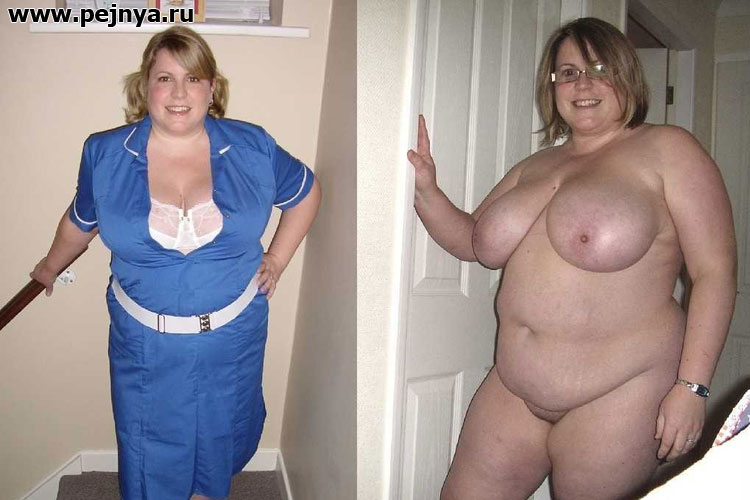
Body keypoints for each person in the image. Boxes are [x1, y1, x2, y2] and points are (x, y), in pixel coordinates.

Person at [408, 17, 736, 499]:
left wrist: (692, 388)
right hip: (513, 388)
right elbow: (473, 241)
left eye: (599, 69)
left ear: (626, 75)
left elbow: (714, 273)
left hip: (620, 393)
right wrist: (427, 191)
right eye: (568, 72)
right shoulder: (535, 165)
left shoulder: (668, 150)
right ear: (553, 86)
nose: (582, 83)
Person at [30, 26, 321, 500]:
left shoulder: (252, 146)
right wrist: (49, 266)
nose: (180, 93)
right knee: (149, 451)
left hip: (233, 336)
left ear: (212, 88)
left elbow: (306, 192)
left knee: (218, 442)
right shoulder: (104, 153)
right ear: (145, 86)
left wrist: (278, 258)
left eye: (193, 78)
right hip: (145, 343)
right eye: (165, 78)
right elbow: (80, 221)